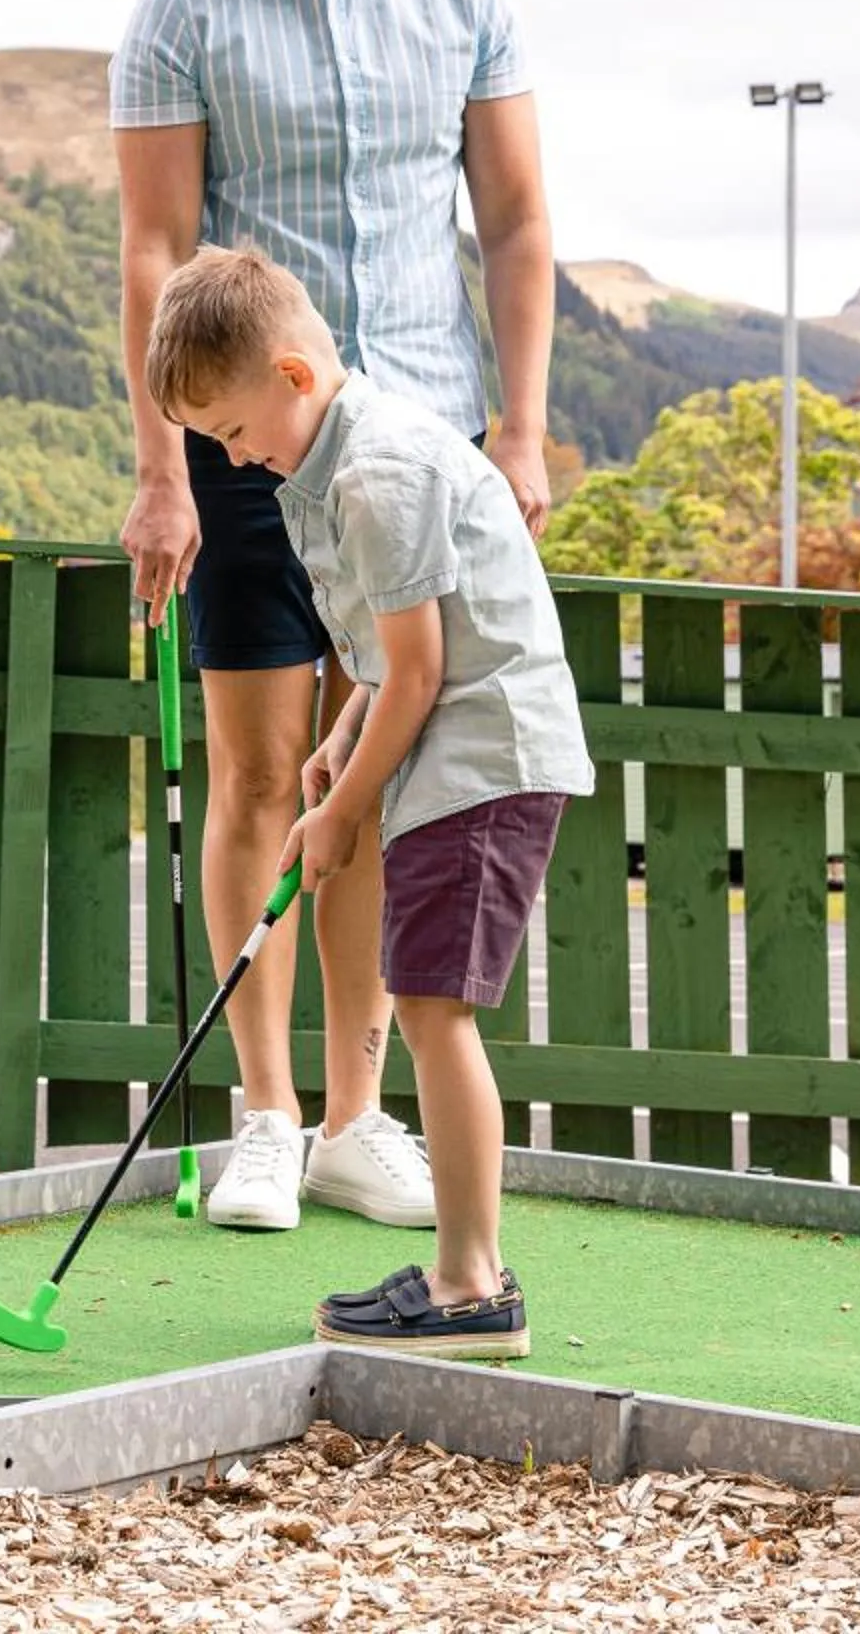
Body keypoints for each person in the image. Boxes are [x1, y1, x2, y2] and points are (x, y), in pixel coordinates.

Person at [111, 0, 564, 1234]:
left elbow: (511, 224)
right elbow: (157, 249)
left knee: (381, 782)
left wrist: (521, 426)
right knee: (255, 774)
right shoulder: (181, 5)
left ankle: (363, 1120)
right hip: (254, 447)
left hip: (421, 449)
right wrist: (168, 465)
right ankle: (262, 1115)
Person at [147, 246, 589, 1357]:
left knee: (437, 1011)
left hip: (484, 757)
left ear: (295, 376)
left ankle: (471, 1284)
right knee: (432, 1000)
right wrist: (338, 738)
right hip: (456, 752)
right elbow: (387, 661)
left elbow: (427, 671)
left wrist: (345, 805)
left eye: (235, 434)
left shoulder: (375, 475)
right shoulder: (329, 462)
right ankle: (465, 1269)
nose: (233, 459)